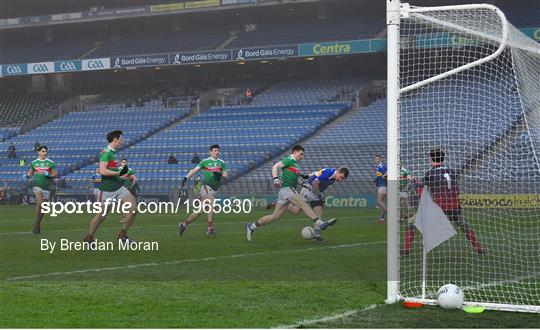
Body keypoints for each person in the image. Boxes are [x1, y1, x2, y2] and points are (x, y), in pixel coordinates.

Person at [401, 147, 484, 256]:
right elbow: (457, 189)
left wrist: (412, 180)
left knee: (412, 224)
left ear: (431, 158)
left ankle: (405, 250)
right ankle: (479, 248)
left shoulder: (430, 173)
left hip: (439, 208)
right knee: (464, 226)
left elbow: (419, 186)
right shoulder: (451, 171)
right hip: (454, 206)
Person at [245, 145, 336, 242]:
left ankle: (252, 226)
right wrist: (275, 179)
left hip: (287, 191)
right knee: (303, 204)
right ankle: (320, 223)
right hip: (286, 190)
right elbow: (275, 166)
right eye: (301, 154)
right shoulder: (289, 159)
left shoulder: (295, 164)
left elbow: (295, 178)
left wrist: (304, 184)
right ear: (295, 152)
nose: (302, 156)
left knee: (275, 217)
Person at [83, 130, 138, 246]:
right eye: (120, 140)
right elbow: (103, 171)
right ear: (115, 140)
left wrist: (121, 173)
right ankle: (89, 238)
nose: (121, 142)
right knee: (102, 216)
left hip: (118, 187)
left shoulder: (113, 152)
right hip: (107, 190)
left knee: (133, 209)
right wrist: (118, 173)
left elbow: (112, 170)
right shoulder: (106, 152)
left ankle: (122, 234)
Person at [179, 144, 227, 237]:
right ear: (211, 152)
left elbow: (225, 176)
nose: (217, 152)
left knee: (199, 211)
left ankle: (184, 224)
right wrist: (186, 177)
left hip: (213, 189)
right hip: (204, 186)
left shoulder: (222, 163)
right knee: (213, 204)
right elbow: (194, 170)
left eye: (218, 150)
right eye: (215, 150)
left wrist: (220, 176)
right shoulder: (205, 162)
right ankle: (210, 228)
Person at [267, 167, 349, 221]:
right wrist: (319, 195)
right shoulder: (329, 173)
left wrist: (307, 176)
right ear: (338, 171)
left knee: (297, 211)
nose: (341, 179)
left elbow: (317, 173)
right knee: (315, 209)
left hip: (312, 191)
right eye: (341, 177)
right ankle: (317, 233)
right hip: (309, 190)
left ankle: (278, 202)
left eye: (343, 179)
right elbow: (315, 183)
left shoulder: (332, 175)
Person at [25, 145, 56, 234]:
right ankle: (37, 225)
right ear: (38, 152)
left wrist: (49, 175)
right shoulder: (34, 162)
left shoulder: (50, 163)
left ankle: (37, 225)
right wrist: (27, 176)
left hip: (47, 187)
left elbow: (54, 174)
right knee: (39, 203)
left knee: (44, 208)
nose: (44, 153)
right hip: (37, 185)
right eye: (42, 151)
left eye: (45, 151)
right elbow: (31, 172)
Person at [119, 158, 138, 223]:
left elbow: (134, 178)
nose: (124, 163)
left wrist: (132, 186)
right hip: (121, 188)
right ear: (120, 163)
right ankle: (124, 217)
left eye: (125, 162)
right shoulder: (118, 170)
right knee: (123, 203)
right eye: (123, 162)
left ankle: (129, 216)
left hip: (129, 188)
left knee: (132, 202)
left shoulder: (130, 170)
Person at [374, 154, 387, 223]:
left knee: (379, 201)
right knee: (381, 202)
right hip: (380, 185)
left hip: (384, 185)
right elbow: (378, 177)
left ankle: (390, 212)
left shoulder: (383, 166)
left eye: (378, 159)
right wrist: (375, 185)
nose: (376, 160)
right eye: (375, 159)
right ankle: (382, 219)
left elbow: (388, 172)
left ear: (380, 159)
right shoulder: (377, 167)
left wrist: (385, 175)